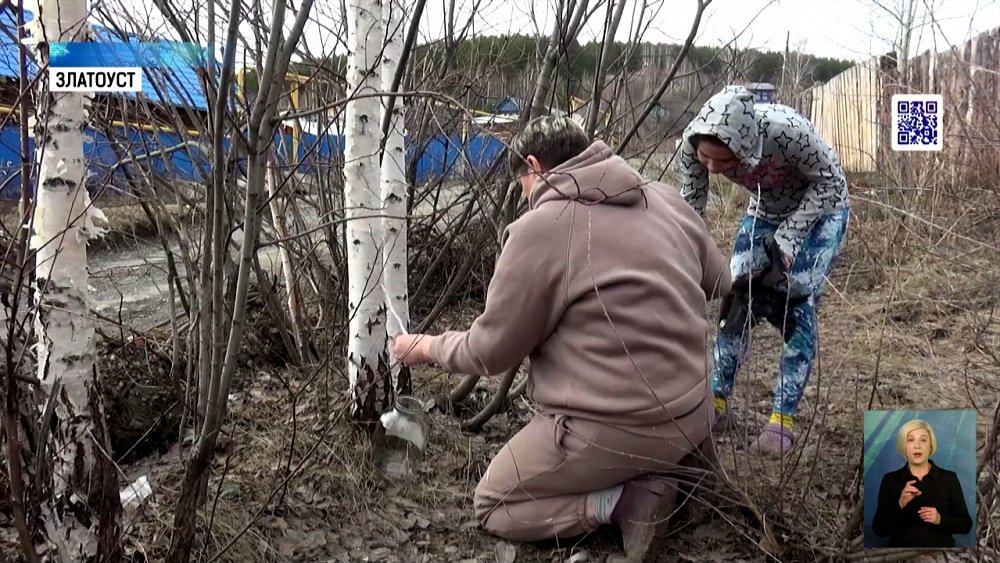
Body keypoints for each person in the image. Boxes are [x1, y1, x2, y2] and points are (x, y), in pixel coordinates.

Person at [394, 116, 730, 562]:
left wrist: (424, 347)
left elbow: (488, 351)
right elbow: (720, 282)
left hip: (618, 429)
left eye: (522, 186)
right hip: (695, 411)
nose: (525, 199)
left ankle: (624, 502)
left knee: (494, 503)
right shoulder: (663, 198)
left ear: (534, 166)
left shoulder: (543, 229)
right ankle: (683, 466)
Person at [677, 84, 851, 455]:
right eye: (706, 160)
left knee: (796, 306)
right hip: (766, 210)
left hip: (822, 210)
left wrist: (787, 241)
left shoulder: (788, 132)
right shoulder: (691, 148)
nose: (712, 168)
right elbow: (691, 213)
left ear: (745, 148)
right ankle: (717, 403)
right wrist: (682, 262)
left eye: (724, 163)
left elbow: (831, 182)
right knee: (736, 295)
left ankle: (781, 422)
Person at [871, 419, 973, 547]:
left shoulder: (949, 478)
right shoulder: (890, 480)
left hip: (940, 552)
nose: (917, 445)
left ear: (931, 445)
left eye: (923, 440)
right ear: (904, 446)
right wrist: (900, 504)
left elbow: (966, 525)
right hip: (900, 553)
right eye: (911, 440)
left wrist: (940, 519)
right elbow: (879, 530)